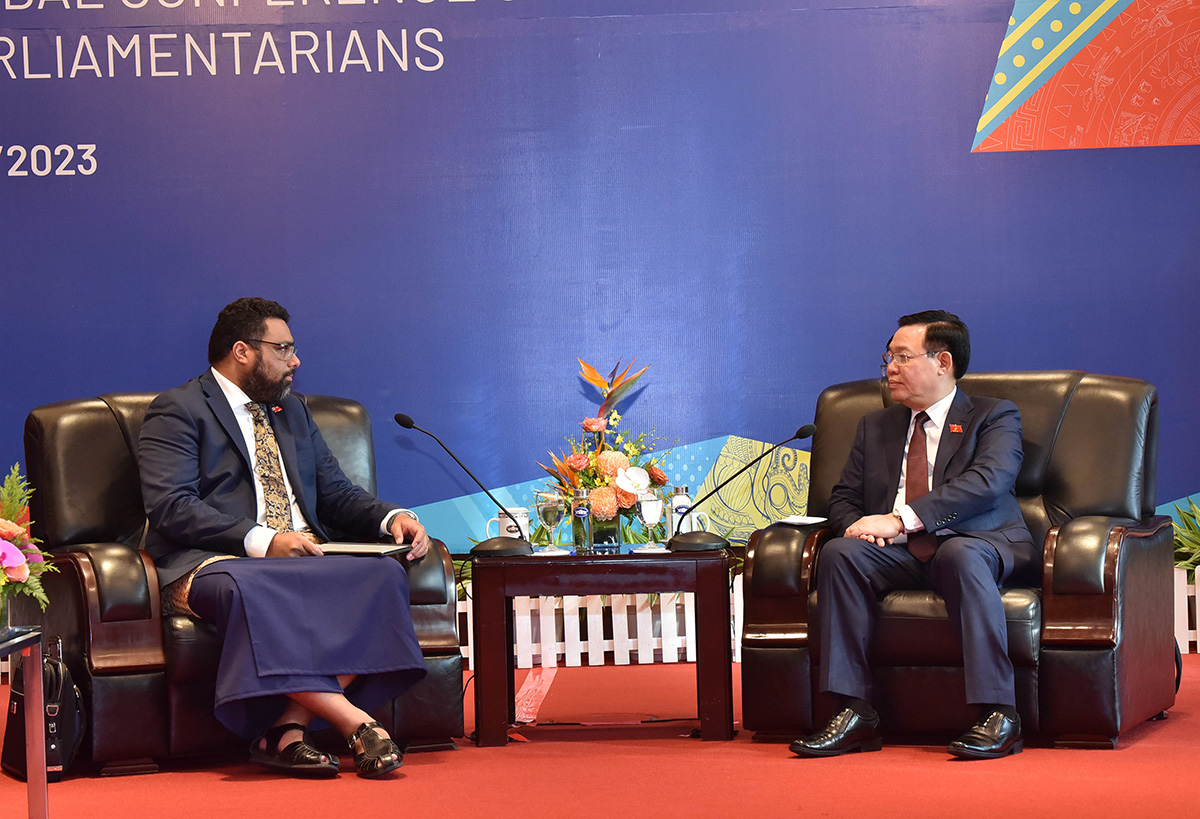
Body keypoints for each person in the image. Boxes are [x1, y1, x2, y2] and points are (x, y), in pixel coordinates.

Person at [139, 297, 431, 779]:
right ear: (242, 351)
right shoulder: (178, 409)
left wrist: (391, 518)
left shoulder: (291, 411)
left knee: (382, 574)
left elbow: (335, 494)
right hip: (216, 560)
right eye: (284, 348)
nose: (296, 361)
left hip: (302, 552)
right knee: (251, 587)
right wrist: (264, 540)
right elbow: (171, 506)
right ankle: (357, 725)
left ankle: (285, 731)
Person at [789, 310, 1037, 761]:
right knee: (841, 554)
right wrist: (862, 531)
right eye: (889, 357)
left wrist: (901, 520)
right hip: (897, 555)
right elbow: (842, 498)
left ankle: (1000, 713)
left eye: (903, 357)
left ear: (943, 362)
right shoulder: (876, 426)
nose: (889, 369)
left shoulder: (994, 415)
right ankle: (854, 712)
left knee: (960, 554)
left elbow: (988, 482)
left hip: (980, 543)